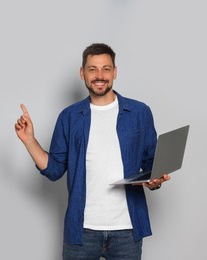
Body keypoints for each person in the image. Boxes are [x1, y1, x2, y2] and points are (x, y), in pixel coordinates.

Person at [14, 43, 170, 260]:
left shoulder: (139, 112)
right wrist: (29, 141)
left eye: (106, 69)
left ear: (115, 72)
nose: (100, 75)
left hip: (127, 230)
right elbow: (54, 170)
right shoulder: (69, 117)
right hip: (82, 230)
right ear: (82, 73)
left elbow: (153, 163)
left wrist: (156, 179)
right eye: (92, 69)